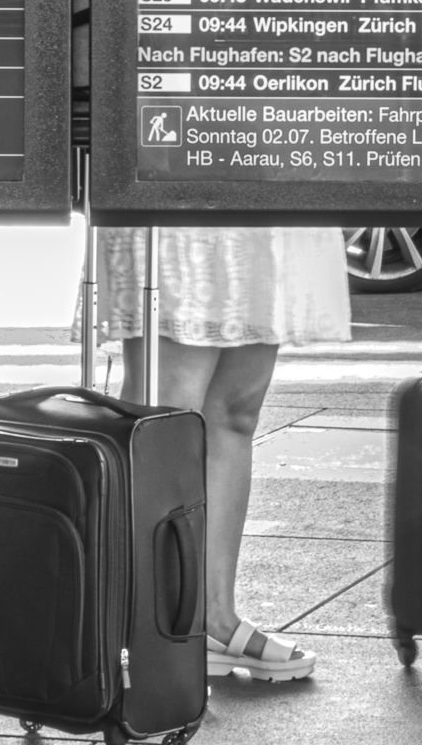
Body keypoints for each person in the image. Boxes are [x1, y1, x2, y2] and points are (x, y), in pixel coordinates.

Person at [98, 226, 350, 682]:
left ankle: (212, 618)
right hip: (183, 202)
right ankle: (140, 628)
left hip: (261, 205)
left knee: (234, 412)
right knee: (165, 414)